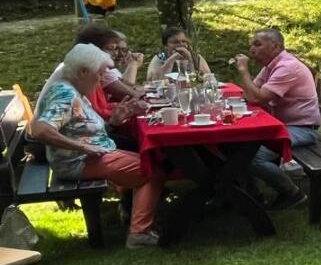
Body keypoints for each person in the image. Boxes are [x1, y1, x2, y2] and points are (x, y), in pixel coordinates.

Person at [29, 43, 167, 248]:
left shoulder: (72, 89)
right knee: (152, 168)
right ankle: (139, 233)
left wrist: (114, 122)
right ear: (83, 72)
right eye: (99, 73)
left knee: (151, 159)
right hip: (78, 162)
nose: (102, 78)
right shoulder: (65, 96)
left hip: (88, 156)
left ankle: (134, 218)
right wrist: (82, 148)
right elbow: (39, 130)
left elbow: (82, 127)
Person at [233, 28, 321, 210]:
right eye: (251, 45)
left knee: (252, 157)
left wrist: (243, 70)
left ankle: (293, 193)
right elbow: (250, 94)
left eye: (257, 44)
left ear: (275, 46)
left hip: (302, 128)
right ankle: (250, 193)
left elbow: (257, 98)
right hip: (282, 124)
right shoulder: (270, 66)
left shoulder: (287, 67)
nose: (252, 49)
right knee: (238, 145)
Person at [146, 26, 211, 81]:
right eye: (175, 42)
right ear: (166, 45)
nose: (181, 45)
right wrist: (171, 60)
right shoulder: (160, 58)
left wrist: (190, 59)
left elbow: (209, 78)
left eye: (183, 41)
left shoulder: (196, 57)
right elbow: (152, 80)